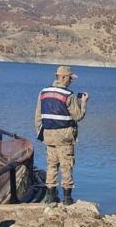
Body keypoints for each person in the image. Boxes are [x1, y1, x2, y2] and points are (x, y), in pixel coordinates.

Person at [35, 65, 88, 206]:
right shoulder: (68, 95)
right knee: (66, 165)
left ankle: (50, 197)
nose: (71, 81)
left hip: (49, 135)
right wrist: (83, 103)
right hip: (64, 136)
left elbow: (38, 117)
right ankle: (67, 199)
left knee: (51, 165)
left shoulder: (43, 92)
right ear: (63, 77)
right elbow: (77, 116)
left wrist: (40, 134)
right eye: (70, 78)